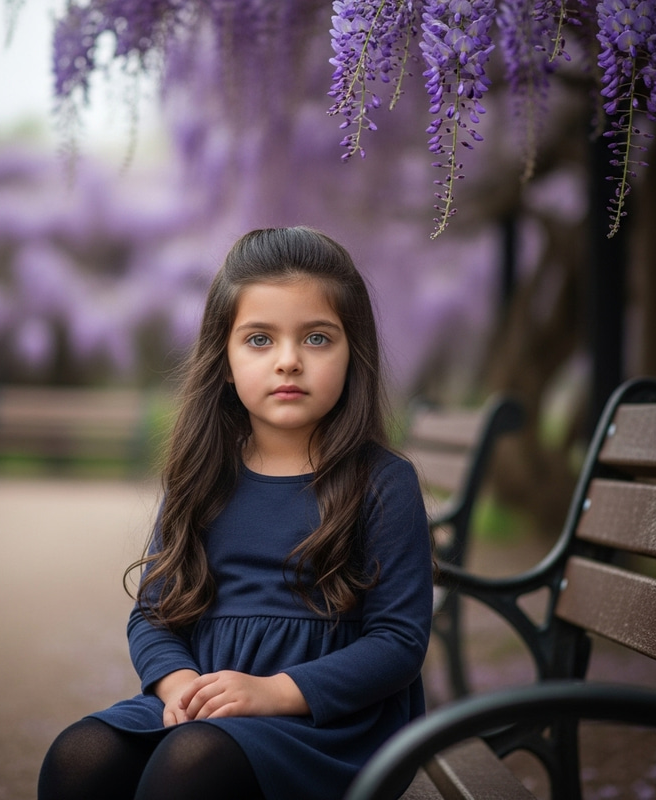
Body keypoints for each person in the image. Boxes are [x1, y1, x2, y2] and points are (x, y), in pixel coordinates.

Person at [38, 227, 433, 800]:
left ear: (355, 355)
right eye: (259, 340)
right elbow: (153, 615)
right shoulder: (202, 477)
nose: (289, 361)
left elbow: (398, 642)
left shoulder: (382, 483)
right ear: (224, 361)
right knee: (79, 758)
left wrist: (273, 692)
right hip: (206, 700)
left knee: (191, 764)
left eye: (318, 339)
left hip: (329, 723)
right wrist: (178, 686)